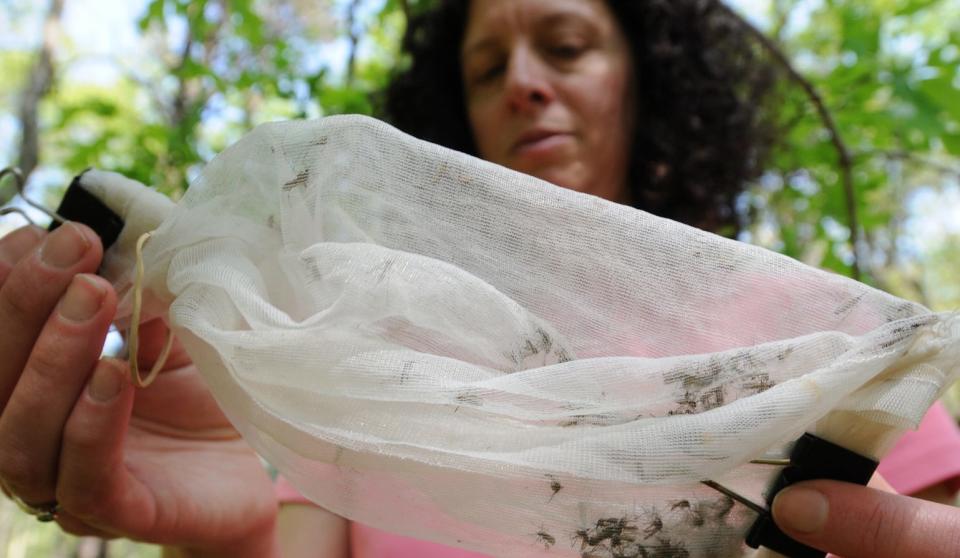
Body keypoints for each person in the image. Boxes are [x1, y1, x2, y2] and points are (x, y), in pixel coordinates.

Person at [0, 1, 957, 557]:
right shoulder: (363, 385)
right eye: (487, 65)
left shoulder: (817, 352)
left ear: (649, 84)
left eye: (568, 46)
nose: (523, 84)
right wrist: (216, 517)